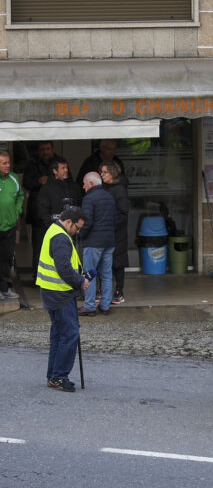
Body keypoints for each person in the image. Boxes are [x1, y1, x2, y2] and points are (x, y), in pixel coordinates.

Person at [36, 206, 90, 392]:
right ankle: (59, 377)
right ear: (68, 222)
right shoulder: (60, 238)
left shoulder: (54, 230)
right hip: (60, 293)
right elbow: (64, 268)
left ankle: (54, 375)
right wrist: (80, 281)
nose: (78, 231)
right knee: (69, 334)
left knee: (59, 334)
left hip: (53, 292)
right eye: (77, 227)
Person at [78, 172, 115, 316]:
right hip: (109, 241)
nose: (83, 186)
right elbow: (115, 219)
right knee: (106, 274)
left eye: (84, 183)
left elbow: (87, 222)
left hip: (93, 242)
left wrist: (80, 234)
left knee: (90, 274)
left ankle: (90, 306)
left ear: (91, 184)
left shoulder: (89, 198)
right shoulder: (110, 197)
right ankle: (105, 306)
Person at [22, 141, 56, 272]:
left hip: (56, 212)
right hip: (38, 215)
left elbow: (67, 180)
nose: (45, 152)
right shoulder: (32, 164)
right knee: (38, 247)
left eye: (48, 149)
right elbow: (26, 183)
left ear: (52, 150)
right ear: (38, 151)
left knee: (57, 245)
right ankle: (37, 276)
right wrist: (38, 181)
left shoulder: (59, 162)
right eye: (43, 149)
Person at [100, 161, 129, 304]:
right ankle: (103, 290)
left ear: (112, 173)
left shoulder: (119, 190)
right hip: (106, 232)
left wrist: (110, 224)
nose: (102, 174)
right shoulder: (104, 189)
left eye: (104, 172)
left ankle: (119, 291)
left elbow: (123, 214)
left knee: (118, 262)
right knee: (104, 261)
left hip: (117, 233)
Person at [0, 150, 24, 300]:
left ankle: (4, 288)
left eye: (8, 162)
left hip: (9, 227)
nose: (8, 165)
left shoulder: (14, 178)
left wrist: (17, 211)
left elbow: (20, 196)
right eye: (4, 163)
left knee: (7, 258)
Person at [37, 157, 80, 229]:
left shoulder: (75, 187)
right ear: (55, 171)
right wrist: (52, 227)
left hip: (73, 231)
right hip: (54, 230)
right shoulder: (46, 189)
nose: (66, 170)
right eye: (63, 168)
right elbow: (43, 213)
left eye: (66, 167)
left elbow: (79, 207)